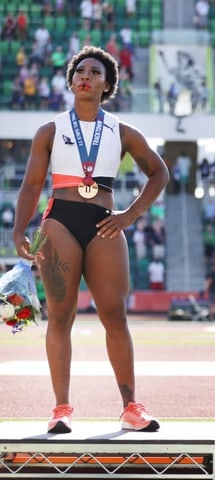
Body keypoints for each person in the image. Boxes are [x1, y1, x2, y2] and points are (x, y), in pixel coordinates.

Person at [12, 46, 169, 433]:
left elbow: (159, 173)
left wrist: (131, 215)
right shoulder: (49, 131)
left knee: (114, 316)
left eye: (95, 72)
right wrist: (18, 230)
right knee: (60, 317)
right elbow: (32, 185)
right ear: (70, 82)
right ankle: (61, 409)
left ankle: (131, 407)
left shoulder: (121, 131)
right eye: (79, 71)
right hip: (59, 222)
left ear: (107, 84)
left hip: (105, 223)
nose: (85, 76)